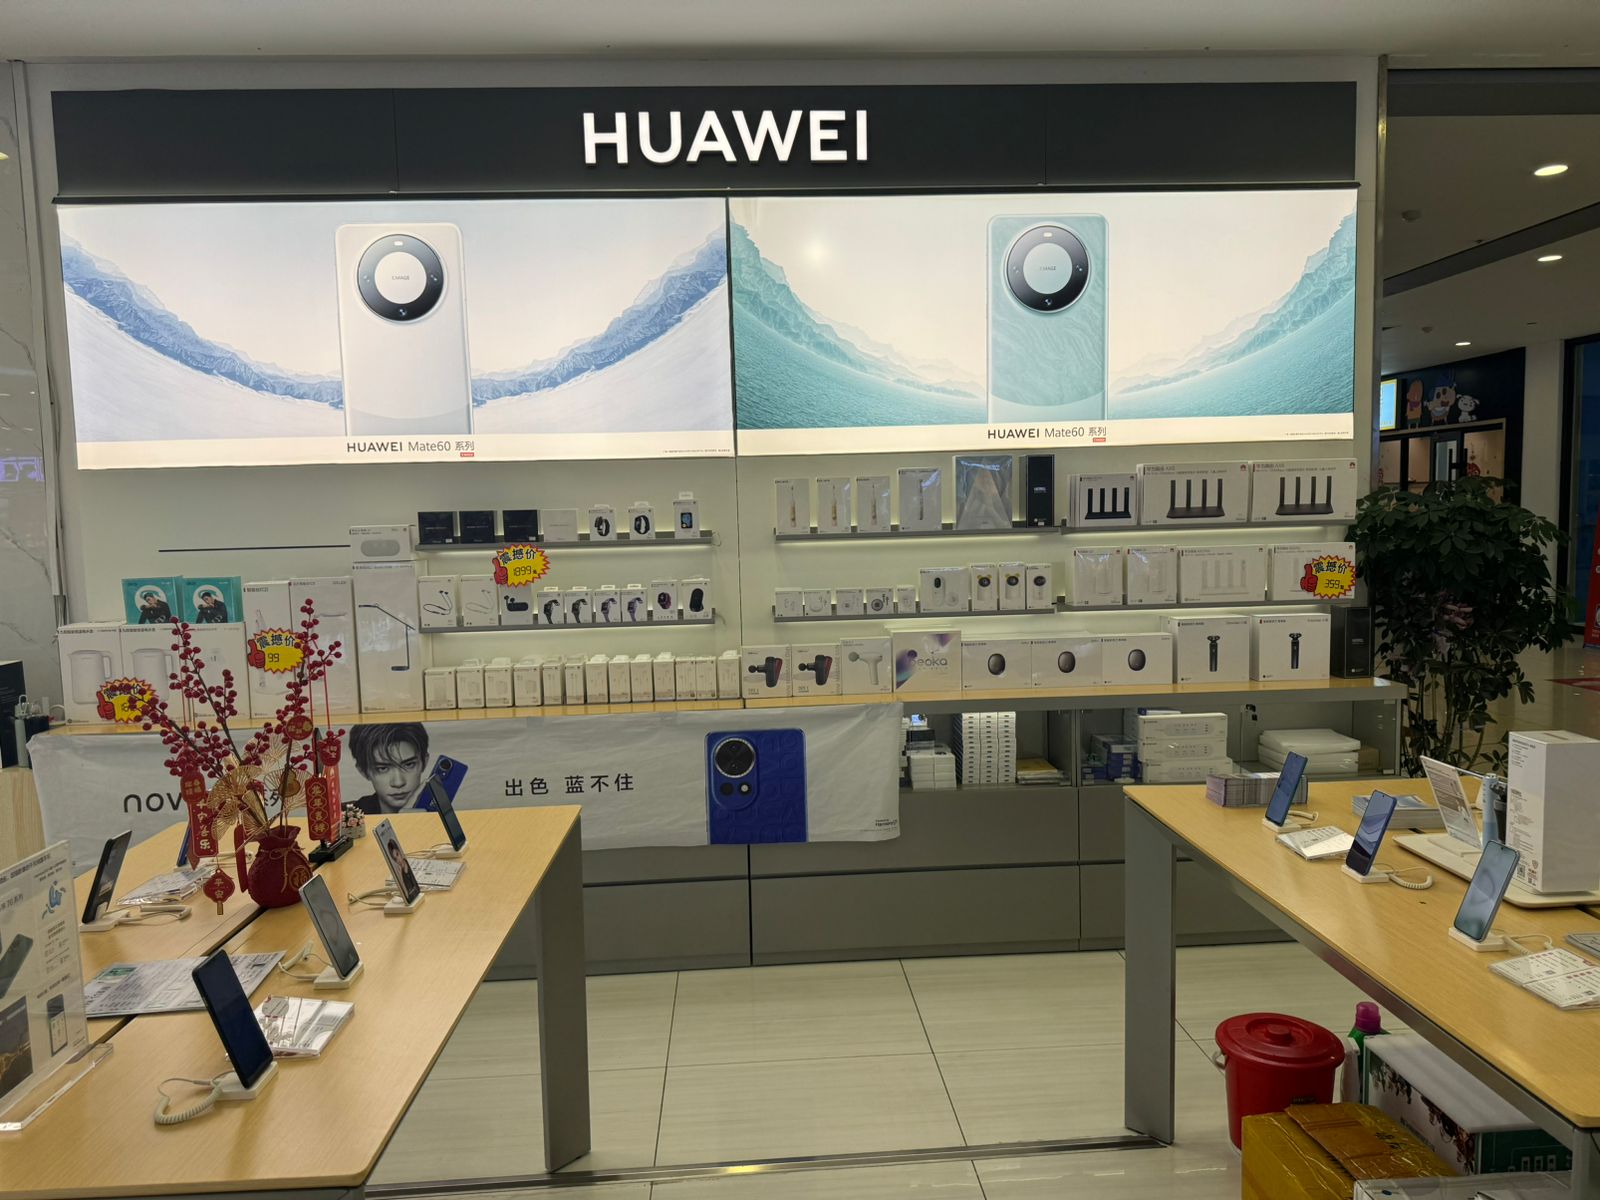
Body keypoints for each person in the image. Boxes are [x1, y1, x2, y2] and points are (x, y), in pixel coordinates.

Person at [350, 723, 430, 814]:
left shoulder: (441, 814)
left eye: (409, 764)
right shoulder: (348, 817)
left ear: (424, 762)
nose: (398, 783)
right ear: (363, 771)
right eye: (383, 768)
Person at [382, 831, 420, 900]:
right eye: (395, 859)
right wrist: (401, 878)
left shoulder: (407, 863)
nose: (398, 860)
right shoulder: (400, 873)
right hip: (411, 898)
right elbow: (407, 896)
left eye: (397, 854)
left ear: (399, 850)